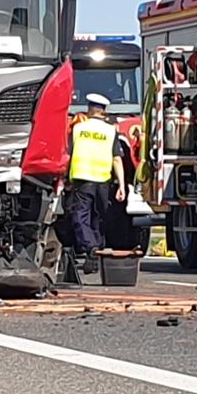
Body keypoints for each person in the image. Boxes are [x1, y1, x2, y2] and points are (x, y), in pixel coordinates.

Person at [68, 93, 125, 274]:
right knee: (98, 218)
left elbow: (69, 154)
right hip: (103, 182)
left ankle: (91, 248)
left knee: (80, 217)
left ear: (89, 109)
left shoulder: (78, 129)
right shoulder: (110, 131)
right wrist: (122, 185)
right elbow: (117, 159)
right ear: (104, 111)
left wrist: (63, 178)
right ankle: (95, 252)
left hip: (83, 180)